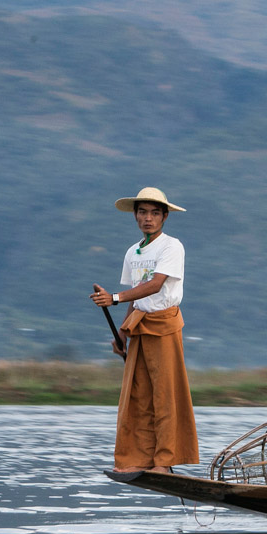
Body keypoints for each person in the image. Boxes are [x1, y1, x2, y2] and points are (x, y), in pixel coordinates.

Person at [89, 187, 198, 474]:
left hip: (163, 325)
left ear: (164, 217)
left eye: (154, 213)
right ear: (135, 216)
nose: (148, 218)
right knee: (137, 395)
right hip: (138, 325)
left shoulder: (171, 246)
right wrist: (121, 335)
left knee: (165, 396)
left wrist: (113, 298)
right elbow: (136, 295)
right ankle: (137, 460)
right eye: (142, 212)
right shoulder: (132, 252)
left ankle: (164, 462)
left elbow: (155, 285)